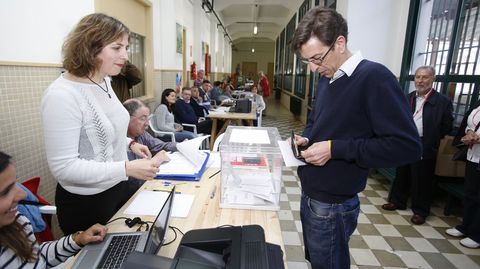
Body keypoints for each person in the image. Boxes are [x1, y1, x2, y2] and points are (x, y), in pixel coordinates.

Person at [291, 7, 422, 269]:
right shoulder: (328, 78)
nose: (315, 68)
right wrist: (306, 138)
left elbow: (407, 147)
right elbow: (318, 122)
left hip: (334, 203)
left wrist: (334, 149)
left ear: (340, 42)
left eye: (317, 58)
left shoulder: (374, 78)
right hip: (312, 193)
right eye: (309, 62)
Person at [41, 13, 162, 235]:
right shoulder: (62, 95)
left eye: (126, 47)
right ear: (90, 46)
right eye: (117, 48)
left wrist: (129, 144)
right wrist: (127, 167)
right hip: (86, 203)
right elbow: (64, 168)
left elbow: (102, 129)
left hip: (118, 187)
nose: (125, 55)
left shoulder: (104, 82)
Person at [0, 151, 108, 268]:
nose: (23, 194)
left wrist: (77, 239)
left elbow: (36, 257)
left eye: (15, 183)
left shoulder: (18, 221)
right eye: (6, 191)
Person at [382, 66, 453, 225]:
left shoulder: (442, 102)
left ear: (433, 78)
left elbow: (446, 126)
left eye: (425, 77)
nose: (420, 81)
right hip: (405, 141)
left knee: (422, 178)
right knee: (402, 172)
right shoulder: (407, 97)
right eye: (418, 77)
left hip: (425, 143)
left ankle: (420, 211)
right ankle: (397, 201)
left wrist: (431, 139)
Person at [445, 99, 480, 248]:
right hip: (473, 155)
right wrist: (469, 132)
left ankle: (476, 235)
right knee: (470, 194)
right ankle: (465, 226)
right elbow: (470, 123)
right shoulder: (478, 103)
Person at [123, 98, 177, 195]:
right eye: (143, 118)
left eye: (147, 119)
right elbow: (130, 181)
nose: (147, 124)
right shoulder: (117, 142)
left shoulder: (141, 134)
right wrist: (154, 161)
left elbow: (162, 146)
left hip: (146, 189)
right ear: (126, 118)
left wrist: (183, 146)